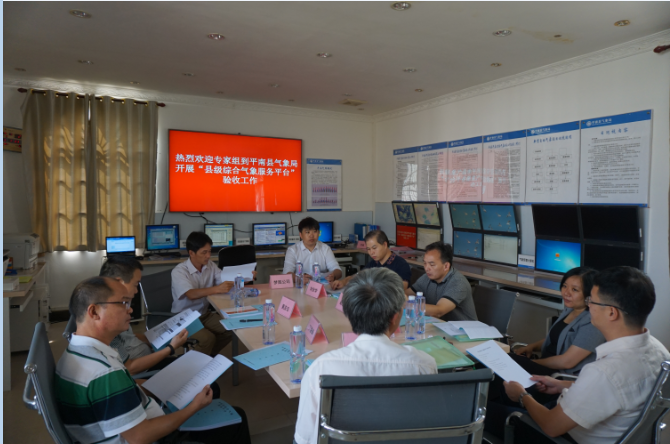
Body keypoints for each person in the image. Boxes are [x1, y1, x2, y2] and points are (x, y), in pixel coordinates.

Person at [56, 276, 251, 444]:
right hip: (151, 436)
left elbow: (117, 394)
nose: (130, 309)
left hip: (134, 420)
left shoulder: (79, 351)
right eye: (122, 303)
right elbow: (139, 437)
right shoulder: (104, 371)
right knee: (237, 419)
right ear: (94, 312)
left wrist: (159, 385)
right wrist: (194, 407)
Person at [502, 266, 670, 444]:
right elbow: (616, 393)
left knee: (494, 411)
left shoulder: (604, 371)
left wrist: (522, 396)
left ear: (611, 312)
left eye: (592, 301)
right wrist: (561, 385)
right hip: (601, 426)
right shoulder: (660, 351)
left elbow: (551, 425)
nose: (588, 305)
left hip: (565, 436)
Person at [294, 268, 437, 444]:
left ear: (349, 314)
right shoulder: (424, 365)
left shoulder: (321, 368)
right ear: (395, 317)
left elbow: (304, 437)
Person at [100, 255, 189, 375]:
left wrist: (156, 340)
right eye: (135, 284)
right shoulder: (109, 320)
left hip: (149, 358)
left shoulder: (117, 307)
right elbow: (129, 368)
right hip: (144, 370)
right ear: (119, 282)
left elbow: (128, 337)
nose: (136, 291)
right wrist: (171, 348)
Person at [512, 267, 604, 376]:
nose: (566, 293)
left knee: (510, 364)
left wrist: (531, 363)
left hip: (559, 376)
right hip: (545, 365)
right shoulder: (570, 310)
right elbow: (557, 339)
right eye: (565, 286)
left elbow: (567, 362)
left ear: (590, 294)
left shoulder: (593, 322)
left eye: (574, 290)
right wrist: (531, 347)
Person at [171, 231, 233, 357]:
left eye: (209, 251)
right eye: (204, 252)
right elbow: (191, 294)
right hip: (184, 318)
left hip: (204, 314)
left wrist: (245, 276)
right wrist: (217, 289)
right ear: (191, 253)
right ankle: (194, 365)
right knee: (208, 339)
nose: (208, 256)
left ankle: (206, 359)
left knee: (231, 328)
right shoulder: (179, 271)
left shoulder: (210, 265)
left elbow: (224, 280)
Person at [405, 242, 477, 321]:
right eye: (425, 263)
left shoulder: (459, 283)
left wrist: (407, 304)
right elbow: (407, 294)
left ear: (446, 266)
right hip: (439, 325)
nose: (426, 268)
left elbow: (438, 312)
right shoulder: (427, 277)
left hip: (463, 328)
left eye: (432, 264)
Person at [330, 230, 411, 290]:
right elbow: (358, 276)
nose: (371, 252)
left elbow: (402, 288)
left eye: (374, 248)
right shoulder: (373, 263)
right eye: (368, 249)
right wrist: (344, 282)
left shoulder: (401, 264)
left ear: (385, 244)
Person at [282, 217, 342, 283]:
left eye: (314, 231)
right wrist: (299, 278)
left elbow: (337, 270)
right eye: (307, 232)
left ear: (318, 233)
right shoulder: (292, 250)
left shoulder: (325, 249)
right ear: (301, 235)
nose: (311, 236)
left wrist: (333, 276)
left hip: (320, 285)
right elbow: (287, 273)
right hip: (300, 285)